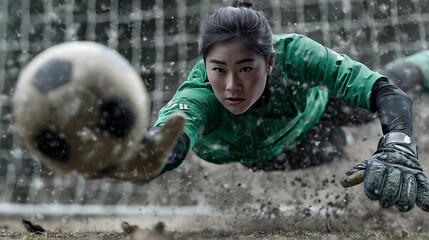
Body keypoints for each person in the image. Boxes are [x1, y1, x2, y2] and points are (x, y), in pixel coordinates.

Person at [103, 0, 429, 213]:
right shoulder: (199, 96)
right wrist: (135, 155)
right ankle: (339, 144)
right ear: (205, 64)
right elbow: (170, 142)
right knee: (331, 150)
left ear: (270, 62)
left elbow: (385, 92)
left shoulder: (297, 55)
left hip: (318, 110)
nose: (231, 87)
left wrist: (399, 145)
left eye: (246, 69)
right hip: (273, 154)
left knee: (380, 90)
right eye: (218, 70)